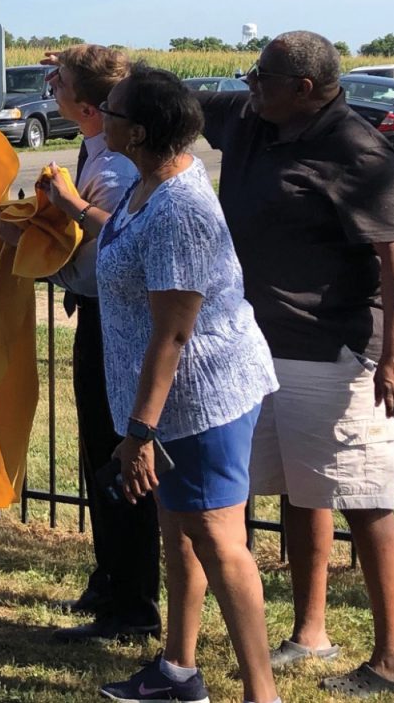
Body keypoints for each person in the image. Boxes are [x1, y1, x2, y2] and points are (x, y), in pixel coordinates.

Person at [199, 30, 394, 697]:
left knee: (363, 498)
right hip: (260, 347)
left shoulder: (358, 151)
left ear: (304, 88)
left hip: (336, 351)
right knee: (302, 489)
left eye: (261, 75)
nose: (248, 83)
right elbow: (170, 101)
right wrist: (112, 72)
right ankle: (312, 631)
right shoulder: (251, 117)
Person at [86, 65, 280, 703]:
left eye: (110, 109)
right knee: (180, 532)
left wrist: (140, 431)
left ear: (137, 131)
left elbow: (173, 333)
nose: (100, 115)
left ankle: (261, 694)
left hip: (198, 398)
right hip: (170, 402)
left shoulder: (179, 210)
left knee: (221, 544)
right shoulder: (150, 184)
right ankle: (177, 672)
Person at [3, 44, 160, 642]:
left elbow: (112, 257)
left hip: (116, 326)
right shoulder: (97, 149)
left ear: (89, 106)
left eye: (60, 79)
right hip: (98, 322)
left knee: (119, 462)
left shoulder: (115, 170)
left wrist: (43, 237)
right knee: (99, 455)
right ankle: (110, 579)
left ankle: (133, 605)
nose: (50, 84)